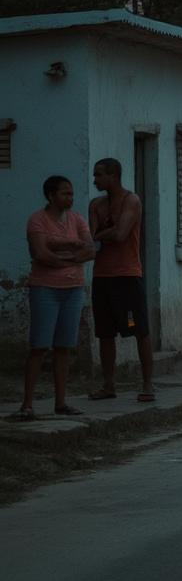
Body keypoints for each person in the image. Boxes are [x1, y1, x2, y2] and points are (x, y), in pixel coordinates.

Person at [12, 176, 96, 421]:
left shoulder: (77, 219)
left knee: (64, 348)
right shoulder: (37, 220)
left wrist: (60, 252)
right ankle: (27, 404)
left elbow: (91, 249)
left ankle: (61, 402)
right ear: (51, 196)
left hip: (73, 289)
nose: (70, 198)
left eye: (71, 193)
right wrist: (71, 253)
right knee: (39, 346)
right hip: (45, 288)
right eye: (64, 194)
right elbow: (41, 254)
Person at [87, 157, 155, 403]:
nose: (95, 180)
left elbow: (121, 234)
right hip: (102, 276)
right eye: (95, 175)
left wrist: (101, 235)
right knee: (105, 333)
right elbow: (91, 237)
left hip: (127, 276)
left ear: (113, 176)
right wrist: (103, 235)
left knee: (139, 330)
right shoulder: (96, 204)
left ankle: (147, 383)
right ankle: (108, 384)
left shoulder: (131, 200)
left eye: (99, 175)